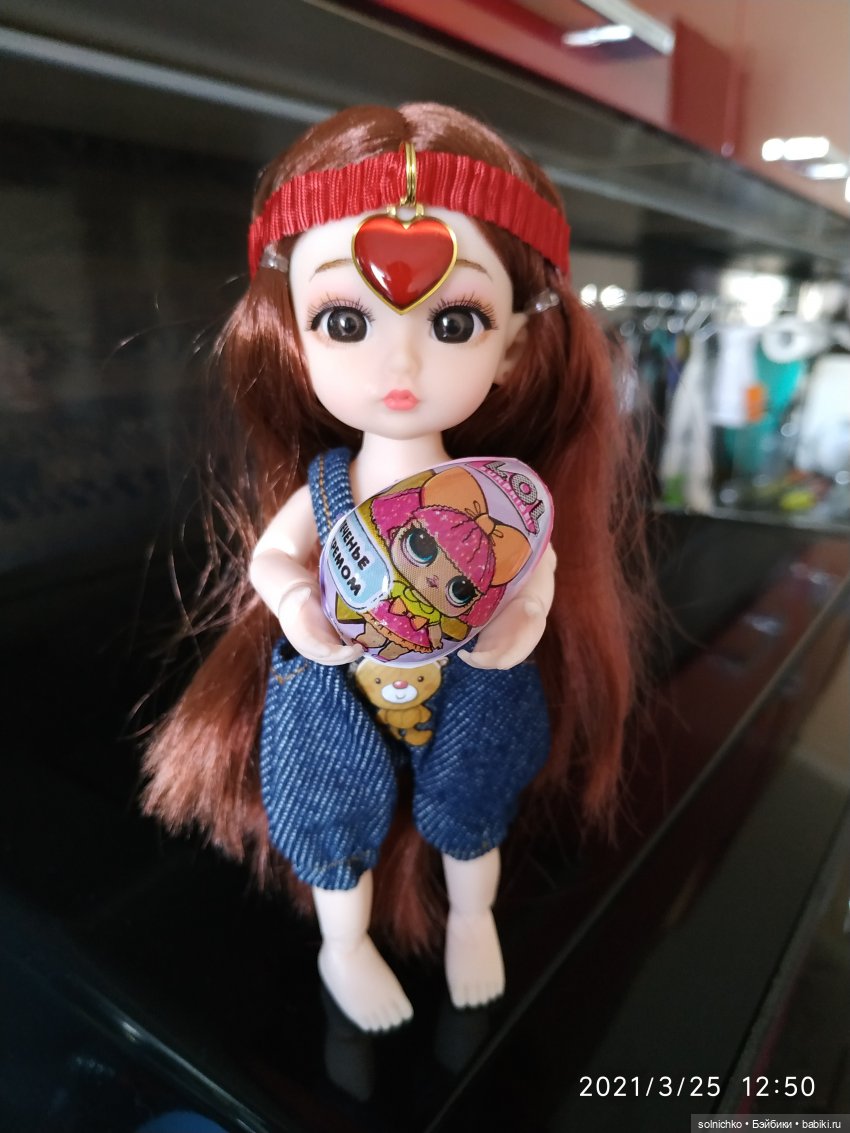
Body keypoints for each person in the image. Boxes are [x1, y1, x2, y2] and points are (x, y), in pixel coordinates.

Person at [142, 103, 648, 1033]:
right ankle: (344, 943)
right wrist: (299, 608)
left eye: (456, 320)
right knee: (329, 806)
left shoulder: (493, 499)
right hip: (337, 677)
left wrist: (517, 623)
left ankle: (472, 918)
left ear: (514, 346)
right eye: (346, 319)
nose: (400, 361)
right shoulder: (330, 488)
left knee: (473, 801)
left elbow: (532, 565)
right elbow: (274, 556)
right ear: (292, 333)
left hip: (468, 674)